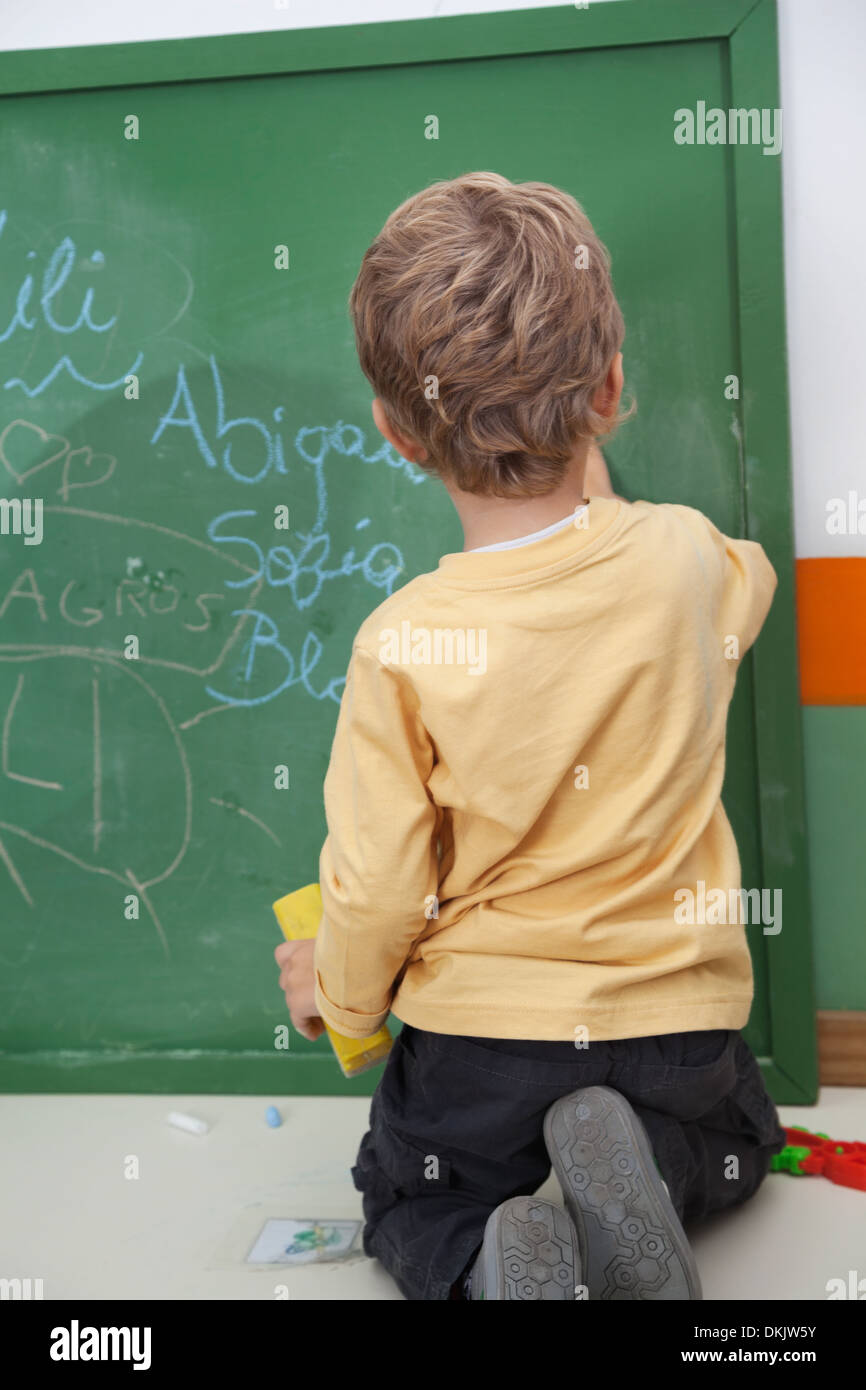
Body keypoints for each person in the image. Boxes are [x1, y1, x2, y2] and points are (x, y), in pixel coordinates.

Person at [275, 172, 786, 1301]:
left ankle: (485, 1257)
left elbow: (377, 887)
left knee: (409, 1191)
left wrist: (341, 998)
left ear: (395, 433)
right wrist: (582, 472)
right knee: (741, 1133)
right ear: (609, 389)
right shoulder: (689, 562)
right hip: (671, 1036)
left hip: (479, 1060)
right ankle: (644, 1160)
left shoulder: (404, 643)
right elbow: (749, 585)